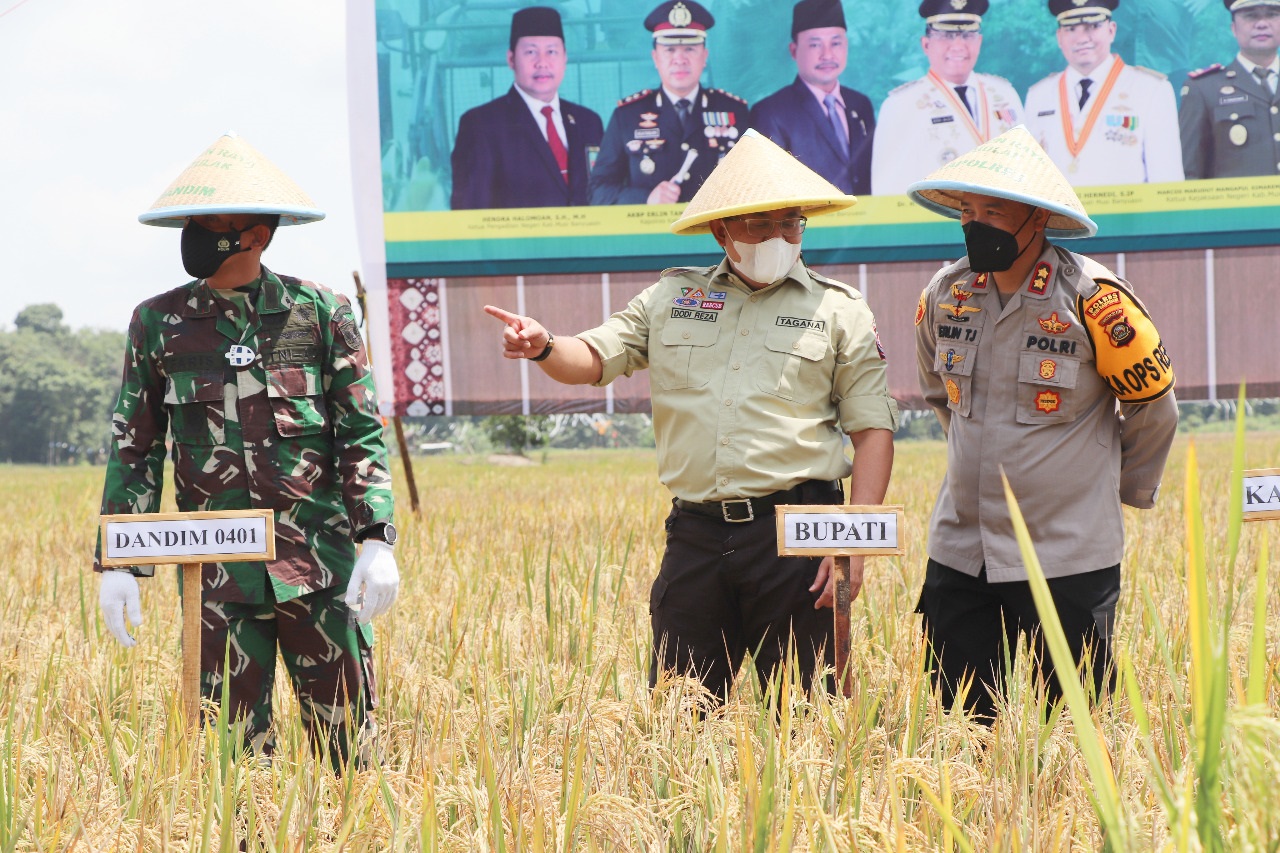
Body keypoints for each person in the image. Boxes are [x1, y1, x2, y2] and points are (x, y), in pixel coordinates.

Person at [491, 129, 897, 702]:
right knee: (681, 716)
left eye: (792, 223)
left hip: (803, 527)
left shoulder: (840, 309)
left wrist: (855, 546)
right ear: (721, 229)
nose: (780, 237)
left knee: (814, 713)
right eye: (762, 224)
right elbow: (592, 356)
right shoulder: (671, 299)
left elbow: (874, 431)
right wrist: (542, 345)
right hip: (698, 534)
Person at [95, 133, 399, 767]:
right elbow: (136, 443)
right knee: (234, 763)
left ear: (257, 234)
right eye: (194, 223)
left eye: (213, 224)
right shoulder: (158, 323)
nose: (197, 235)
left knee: (351, 757)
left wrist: (377, 537)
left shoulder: (319, 313)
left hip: (319, 570)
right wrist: (119, 559)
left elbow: (359, 429)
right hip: (218, 578)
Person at [907, 126, 1179, 722]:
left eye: (994, 210)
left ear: (1037, 219)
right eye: (968, 210)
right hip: (962, 548)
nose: (977, 223)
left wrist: (1118, 490)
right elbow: (938, 393)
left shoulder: (1095, 299)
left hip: (1067, 554)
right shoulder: (947, 293)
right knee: (959, 729)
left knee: (1074, 732)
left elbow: (1154, 406)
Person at [588, 0, 749, 206]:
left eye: (690, 49)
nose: (679, 59)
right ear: (655, 58)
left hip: (714, 234)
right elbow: (597, 191)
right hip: (652, 236)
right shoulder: (626, 116)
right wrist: (645, 198)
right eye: (670, 50)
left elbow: (755, 185)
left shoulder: (735, 112)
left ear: (704, 56)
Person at [451, 7, 604, 209]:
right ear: (511, 59)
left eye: (552, 52)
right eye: (531, 52)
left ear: (565, 58)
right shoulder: (481, 125)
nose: (542, 63)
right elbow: (470, 213)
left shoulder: (588, 122)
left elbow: (604, 193)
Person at [870, 0, 1023, 196]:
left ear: (979, 41)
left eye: (968, 35)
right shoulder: (900, 105)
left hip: (1004, 220)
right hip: (936, 222)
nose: (958, 46)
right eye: (946, 36)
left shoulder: (1005, 95)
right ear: (926, 44)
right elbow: (888, 192)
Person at [1024, 0, 1184, 186]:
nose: (1082, 38)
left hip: (1126, 214)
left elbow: (1166, 183)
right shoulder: (1038, 96)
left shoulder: (1151, 90)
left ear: (1111, 30)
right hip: (1057, 215)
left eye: (1093, 26)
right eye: (1071, 29)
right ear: (1059, 37)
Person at [750, 0, 875, 195]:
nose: (827, 55)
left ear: (846, 46)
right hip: (808, 223)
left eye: (835, 43)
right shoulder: (771, 112)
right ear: (794, 51)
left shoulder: (860, 104)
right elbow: (770, 190)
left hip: (866, 222)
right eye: (815, 44)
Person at [1180, 0, 1280, 180]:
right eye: (1251, 16)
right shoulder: (1204, 89)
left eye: (1272, 15)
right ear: (1233, 28)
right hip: (1238, 207)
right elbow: (1190, 173)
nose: (1262, 24)